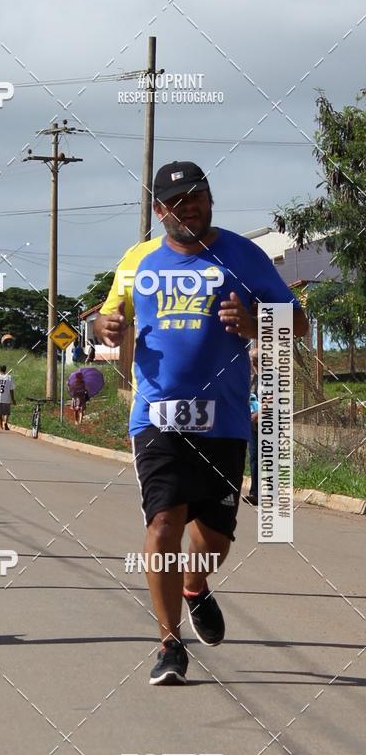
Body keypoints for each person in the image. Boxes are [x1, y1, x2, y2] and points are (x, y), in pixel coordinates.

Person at [94, 160, 308, 685]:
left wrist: (261, 322)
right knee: (164, 522)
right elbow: (108, 316)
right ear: (159, 210)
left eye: (199, 196)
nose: (191, 206)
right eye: (178, 200)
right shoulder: (138, 259)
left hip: (227, 420)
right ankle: (169, 642)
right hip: (156, 416)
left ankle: (195, 586)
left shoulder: (243, 254)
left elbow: (298, 323)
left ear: (209, 199)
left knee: (214, 538)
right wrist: (104, 324)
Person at [246, 349, 260, 505]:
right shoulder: (252, 380)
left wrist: (257, 415)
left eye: (250, 360)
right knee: (254, 458)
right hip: (253, 425)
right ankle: (255, 493)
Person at [0, 364, 16, 430]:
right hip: (7, 398)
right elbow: (11, 389)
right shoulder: (9, 377)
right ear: (5, 369)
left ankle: (1, 425)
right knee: (7, 412)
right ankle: (5, 422)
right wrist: (13, 399)